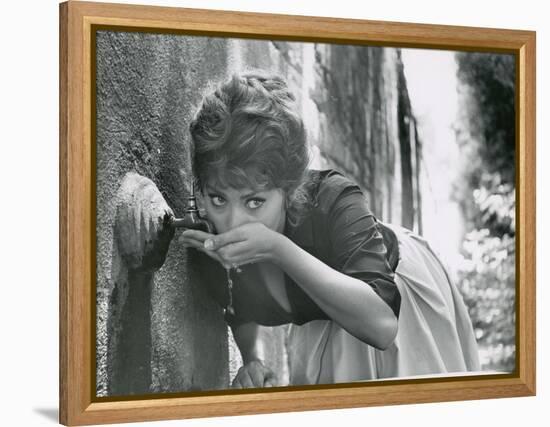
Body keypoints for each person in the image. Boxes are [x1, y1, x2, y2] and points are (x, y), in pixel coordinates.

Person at [136, 70, 480, 388]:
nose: (232, 222)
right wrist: (252, 359)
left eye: (254, 202)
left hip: (393, 304)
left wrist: (277, 249)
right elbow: (238, 305)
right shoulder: (209, 240)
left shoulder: (332, 199)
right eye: (218, 198)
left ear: (288, 190)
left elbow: (382, 326)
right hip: (323, 326)